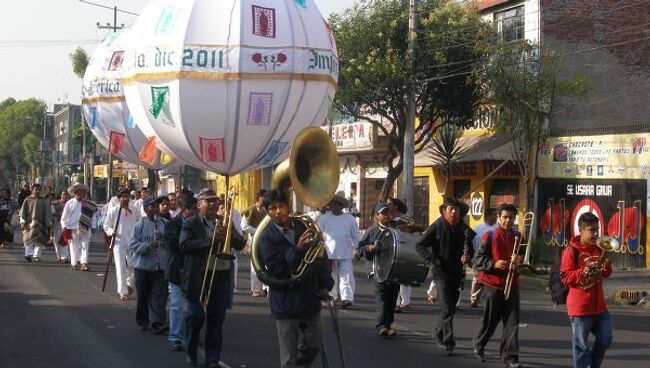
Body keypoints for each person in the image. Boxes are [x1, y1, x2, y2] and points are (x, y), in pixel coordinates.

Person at [258, 189, 334, 367]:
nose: (278, 212)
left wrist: (326, 284)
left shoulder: (304, 226)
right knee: (288, 358)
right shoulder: (266, 238)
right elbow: (277, 270)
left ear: (288, 206)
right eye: (273, 208)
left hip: (309, 297)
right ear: (267, 212)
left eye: (282, 206)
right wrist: (297, 250)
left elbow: (320, 255)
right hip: (285, 301)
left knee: (314, 345)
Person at [179, 188, 245, 367]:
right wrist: (211, 241)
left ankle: (212, 358)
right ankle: (191, 348)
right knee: (195, 316)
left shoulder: (224, 222)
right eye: (208, 201)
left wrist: (229, 232)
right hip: (199, 276)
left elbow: (241, 244)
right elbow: (184, 245)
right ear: (199, 205)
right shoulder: (190, 223)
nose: (213, 204)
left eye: (215, 201)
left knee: (216, 320)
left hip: (221, 275)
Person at [415, 197, 475, 355]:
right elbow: (419, 245)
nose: (455, 212)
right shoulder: (437, 226)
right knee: (447, 308)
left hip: (457, 272)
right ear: (444, 211)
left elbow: (471, 249)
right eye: (451, 209)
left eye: (457, 209)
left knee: (450, 309)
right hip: (441, 272)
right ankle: (449, 342)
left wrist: (467, 257)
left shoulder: (464, 228)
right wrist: (432, 259)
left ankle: (438, 332)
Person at [472, 203, 522, 368]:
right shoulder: (490, 235)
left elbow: (523, 258)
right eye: (505, 217)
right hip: (493, 284)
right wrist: (494, 263)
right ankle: (479, 344)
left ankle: (510, 357)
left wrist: (520, 260)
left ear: (514, 219)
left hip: (512, 283)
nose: (508, 220)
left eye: (511, 218)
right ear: (499, 218)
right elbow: (478, 260)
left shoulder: (518, 236)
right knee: (490, 321)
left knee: (512, 322)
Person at [561, 212, 612, 368]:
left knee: (606, 338)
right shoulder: (571, 251)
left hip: (600, 306)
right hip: (580, 308)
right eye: (592, 230)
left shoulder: (599, 248)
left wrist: (606, 265)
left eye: (597, 229)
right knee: (581, 347)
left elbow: (607, 274)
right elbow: (565, 277)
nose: (596, 234)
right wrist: (582, 271)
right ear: (581, 231)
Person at [357, 202, 400, 337]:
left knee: (392, 297)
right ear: (377, 216)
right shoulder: (372, 231)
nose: (387, 215)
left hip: (393, 269)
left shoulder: (396, 228)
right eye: (384, 213)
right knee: (382, 297)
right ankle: (381, 325)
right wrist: (369, 248)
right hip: (377, 269)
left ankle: (388, 325)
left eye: (388, 212)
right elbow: (359, 248)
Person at [162, 189, 195, 352]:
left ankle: (193, 335)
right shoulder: (171, 225)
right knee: (176, 304)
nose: (193, 214)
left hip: (194, 269)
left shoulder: (198, 224)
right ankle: (175, 336)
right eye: (191, 211)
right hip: (177, 269)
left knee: (194, 306)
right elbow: (176, 245)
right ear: (184, 211)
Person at [130, 196, 168, 333]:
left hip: (160, 267)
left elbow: (171, 242)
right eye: (151, 206)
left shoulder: (164, 223)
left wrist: (164, 240)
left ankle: (158, 322)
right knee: (143, 296)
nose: (154, 209)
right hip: (143, 267)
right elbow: (133, 245)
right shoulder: (139, 225)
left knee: (159, 295)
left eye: (156, 206)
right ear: (146, 209)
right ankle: (142, 321)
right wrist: (147, 246)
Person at [318, 194, 360, 308]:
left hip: (345, 253)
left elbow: (356, 236)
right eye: (332, 203)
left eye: (337, 204)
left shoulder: (350, 219)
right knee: (331, 277)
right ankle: (332, 297)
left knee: (346, 277)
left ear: (342, 206)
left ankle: (347, 298)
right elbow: (318, 235)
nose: (334, 206)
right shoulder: (323, 218)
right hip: (329, 253)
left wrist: (358, 249)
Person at [104, 188, 142, 300]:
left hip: (133, 242)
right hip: (118, 242)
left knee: (133, 265)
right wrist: (111, 232)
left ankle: (129, 283)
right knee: (120, 266)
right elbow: (106, 225)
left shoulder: (135, 209)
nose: (126, 199)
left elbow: (140, 223)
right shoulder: (114, 210)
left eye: (127, 196)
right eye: (123, 196)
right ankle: (123, 291)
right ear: (119, 198)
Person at [60, 183, 97, 270]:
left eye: (82, 192)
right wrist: (64, 226)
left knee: (85, 245)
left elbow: (93, 215)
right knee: (74, 246)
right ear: (75, 193)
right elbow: (64, 216)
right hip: (73, 228)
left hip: (85, 227)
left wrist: (94, 226)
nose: (80, 194)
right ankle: (74, 263)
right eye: (78, 192)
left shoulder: (89, 204)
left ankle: (84, 263)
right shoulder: (70, 203)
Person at [241, 189, 268, 297]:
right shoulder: (250, 210)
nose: (265, 199)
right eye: (264, 197)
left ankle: (267, 287)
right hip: (255, 240)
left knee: (268, 264)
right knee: (255, 265)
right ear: (259, 198)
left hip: (267, 240)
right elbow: (244, 226)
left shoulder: (268, 209)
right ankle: (256, 289)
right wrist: (258, 230)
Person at [388, 197, 412, 312]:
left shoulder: (406, 219)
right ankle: (396, 303)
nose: (387, 206)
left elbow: (414, 233)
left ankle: (405, 301)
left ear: (395, 206)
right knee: (393, 278)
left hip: (405, 250)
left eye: (389, 204)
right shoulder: (387, 219)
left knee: (405, 277)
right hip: (392, 251)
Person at [470, 208, 498, 307]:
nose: (496, 216)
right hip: (479, 258)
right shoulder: (478, 229)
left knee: (489, 280)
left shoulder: (498, 229)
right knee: (477, 279)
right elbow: (472, 243)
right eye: (494, 215)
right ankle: (474, 299)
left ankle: (487, 300)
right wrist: (473, 258)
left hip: (493, 259)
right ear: (488, 216)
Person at [19, 183, 52, 262]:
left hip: (41, 224)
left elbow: (47, 213)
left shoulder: (44, 201)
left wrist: (48, 223)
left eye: (39, 190)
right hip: (29, 223)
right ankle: (28, 254)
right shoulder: (27, 200)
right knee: (28, 239)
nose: (37, 191)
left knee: (40, 239)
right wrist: (22, 222)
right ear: (32, 190)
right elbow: (23, 212)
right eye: (36, 190)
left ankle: (36, 255)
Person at [52, 191, 71, 263]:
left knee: (65, 240)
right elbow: (52, 213)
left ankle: (64, 256)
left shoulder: (70, 204)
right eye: (63, 194)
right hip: (57, 223)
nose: (65, 196)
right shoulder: (55, 203)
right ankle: (58, 255)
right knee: (56, 241)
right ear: (61, 195)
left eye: (66, 195)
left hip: (67, 224)